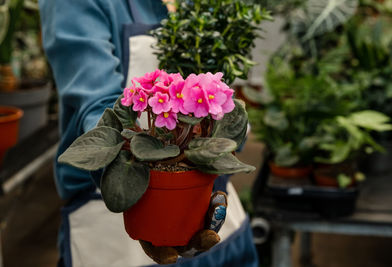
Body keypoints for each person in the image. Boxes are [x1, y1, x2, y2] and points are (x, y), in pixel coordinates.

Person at [40, 0, 258, 266]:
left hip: (219, 218)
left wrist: (219, 165)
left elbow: (219, 103)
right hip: (118, 235)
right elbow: (97, 107)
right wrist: (144, 190)